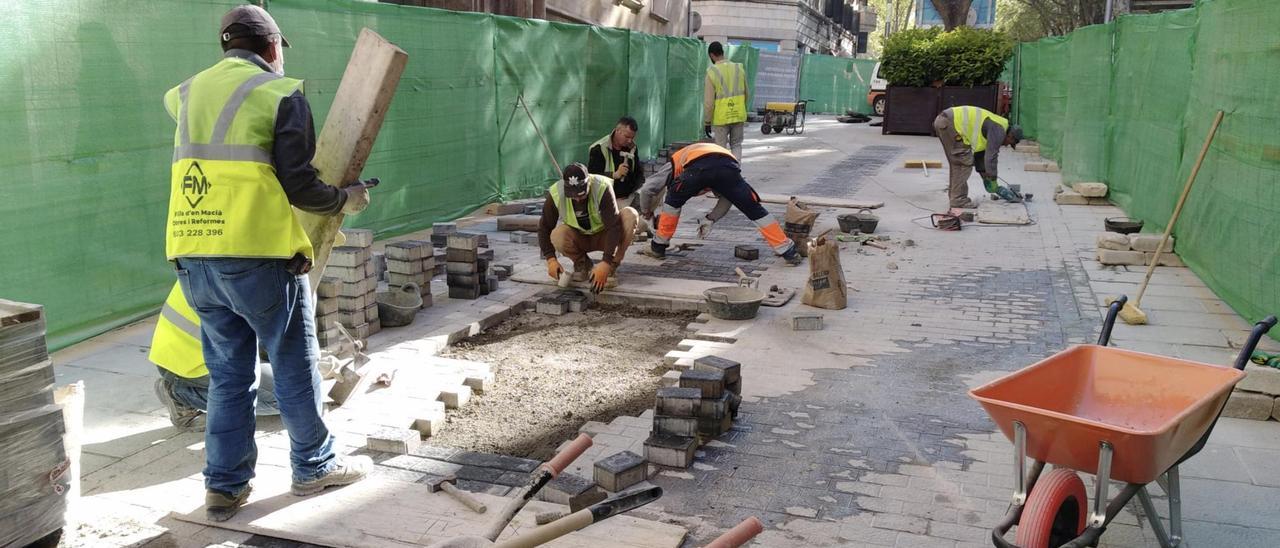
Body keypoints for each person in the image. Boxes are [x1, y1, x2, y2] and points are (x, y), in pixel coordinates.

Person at [163, 5, 374, 522]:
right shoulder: (281, 94)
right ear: (274, 48)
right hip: (257, 255)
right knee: (293, 360)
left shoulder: (187, 93)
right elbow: (300, 184)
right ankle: (314, 465)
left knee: (230, 376)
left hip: (193, 254)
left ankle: (225, 485)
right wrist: (345, 198)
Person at [641, 143, 801, 266]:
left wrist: (646, 212)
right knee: (754, 209)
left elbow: (647, 189)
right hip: (729, 168)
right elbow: (728, 198)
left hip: (699, 168)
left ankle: (658, 247)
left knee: (673, 200)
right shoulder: (714, 157)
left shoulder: (675, 161)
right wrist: (710, 219)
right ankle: (788, 250)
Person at [151, 282, 280, 432]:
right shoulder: (254, 278)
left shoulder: (211, 262)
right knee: (286, 397)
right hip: (189, 362)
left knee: (295, 386)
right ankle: (178, 394)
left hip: (179, 352)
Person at [539, 163, 634, 293]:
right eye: (573, 195)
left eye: (581, 194)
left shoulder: (602, 187)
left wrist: (606, 262)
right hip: (580, 237)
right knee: (558, 235)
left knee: (630, 216)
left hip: (604, 235)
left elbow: (614, 227)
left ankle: (611, 267)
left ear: (588, 182)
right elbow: (544, 228)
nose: (577, 199)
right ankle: (582, 264)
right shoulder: (556, 193)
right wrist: (550, 259)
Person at [933, 105, 1023, 209]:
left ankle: (955, 197)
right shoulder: (999, 130)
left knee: (959, 163)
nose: (1007, 145)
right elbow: (991, 157)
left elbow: (981, 156)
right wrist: (993, 178)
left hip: (946, 122)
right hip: (949, 124)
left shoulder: (997, 126)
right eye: (1010, 143)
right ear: (1010, 136)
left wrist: (986, 178)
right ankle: (958, 200)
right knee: (963, 163)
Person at [587, 116, 644, 213]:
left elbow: (639, 172)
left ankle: (643, 214)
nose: (630, 141)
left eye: (632, 137)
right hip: (611, 199)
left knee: (656, 190)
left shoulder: (632, 147)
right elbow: (592, 177)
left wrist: (639, 189)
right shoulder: (598, 148)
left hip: (631, 195)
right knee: (633, 219)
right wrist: (614, 174)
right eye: (627, 137)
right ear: (617, 131)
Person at [704, 41, 748, 160]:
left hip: (721, 118)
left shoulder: (711, 72)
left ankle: (724, 176)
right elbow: (746, 93)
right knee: (736, 145)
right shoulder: (739, 68)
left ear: (712, 55)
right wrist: (741, 108)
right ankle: (735, 173)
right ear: (723, 52)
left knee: (721, 149)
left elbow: (709, 102)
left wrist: (707, 122)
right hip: (738, 114)